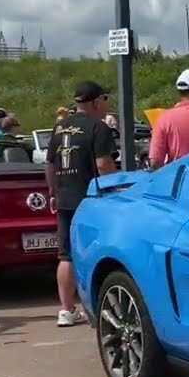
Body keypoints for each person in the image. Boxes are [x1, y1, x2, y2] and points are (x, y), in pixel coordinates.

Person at [46, 81, 117, 327]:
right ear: (97, 101)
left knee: (66, 255)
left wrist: (52, 191)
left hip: (64, 197)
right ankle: (93, 307)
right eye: (105, 99)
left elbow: (50, 164)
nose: (106, 105)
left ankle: (66, 310)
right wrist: (117, 188)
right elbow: (103, 164)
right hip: (90, 199)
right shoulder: (99, 127)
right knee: (94, 252)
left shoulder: (59, 127)